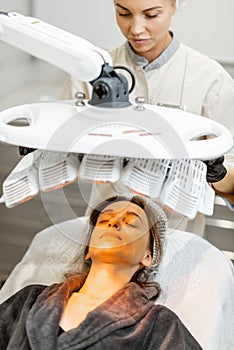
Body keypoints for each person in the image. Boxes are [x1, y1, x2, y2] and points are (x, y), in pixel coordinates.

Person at [61, 0, 234, 235]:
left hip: (177, 236)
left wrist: (217, 173)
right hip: (106, 234)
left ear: (175, 6)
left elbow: (232, 184)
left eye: (151, 15)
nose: (136, 29)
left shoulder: (212, 81)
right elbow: (63, 145)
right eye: (123, 13)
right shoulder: (90, 73)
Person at [0, 195, 202, 349]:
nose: (114, 223)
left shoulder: (159, 324)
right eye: (105, 221)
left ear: (147, 257)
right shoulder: (30, 298)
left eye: (131, 222)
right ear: (88, 249)